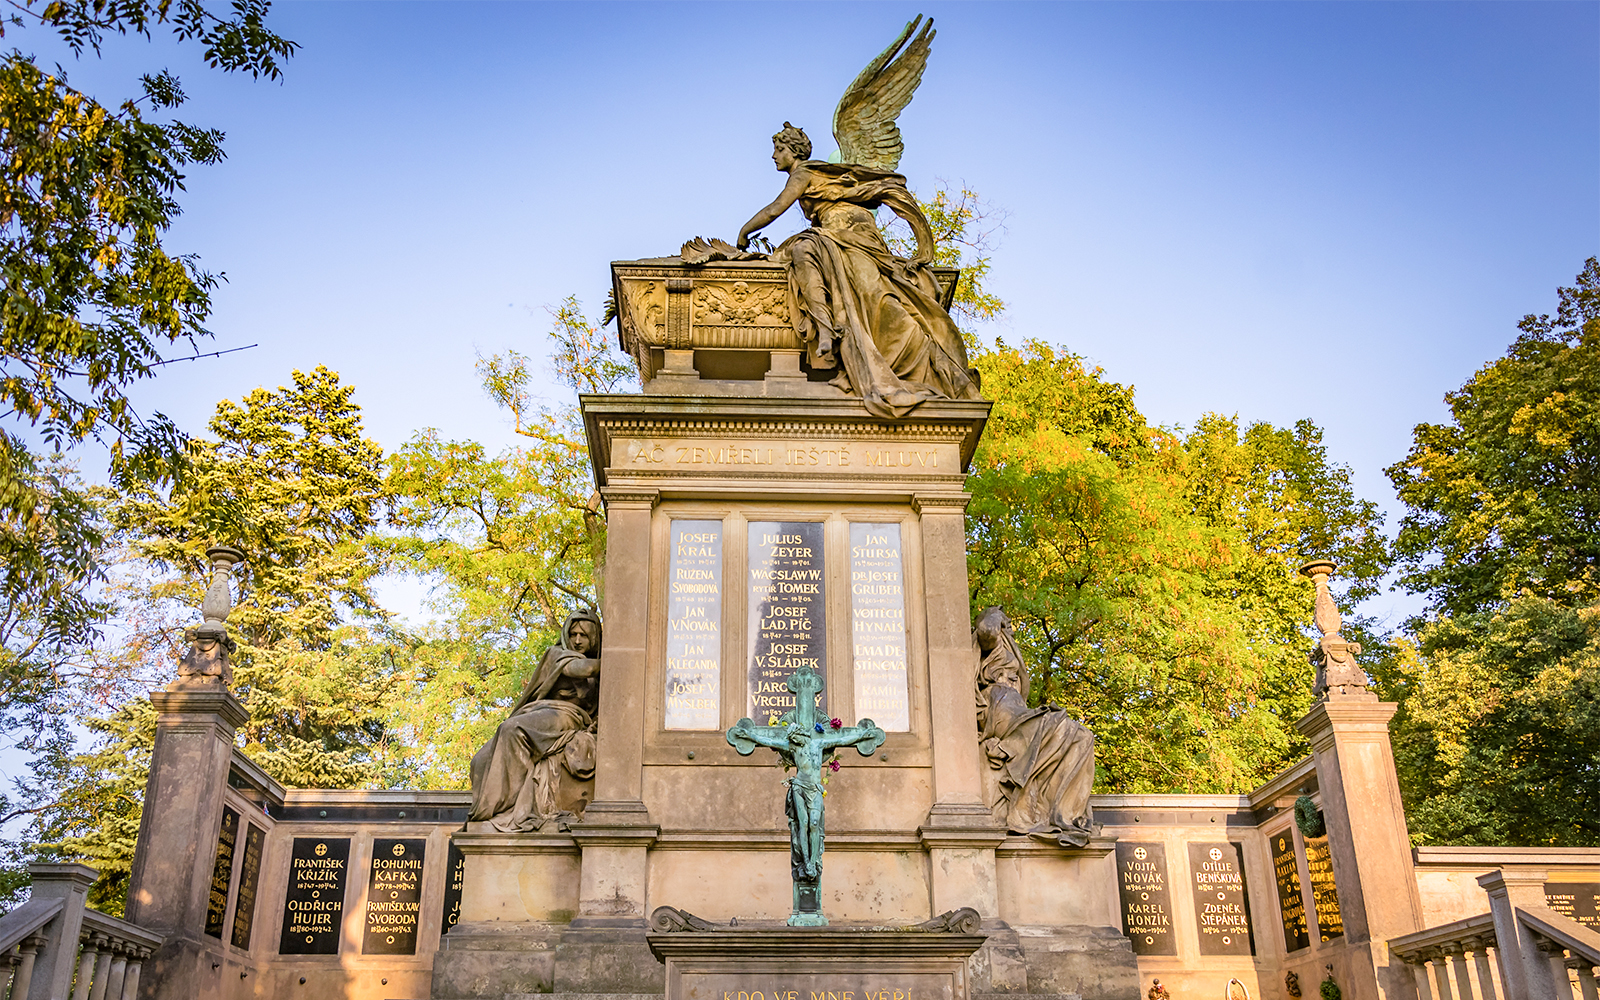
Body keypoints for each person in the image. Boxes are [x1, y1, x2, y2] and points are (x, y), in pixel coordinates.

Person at [736, 123, 981, 419]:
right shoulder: (823, 173)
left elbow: (776, 208)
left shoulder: (804, 173)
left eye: (779, 149)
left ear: (794, 151)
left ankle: (827, 330)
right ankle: (828, 330)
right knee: (831, 266)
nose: (774, 156)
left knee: (812, 254)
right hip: (850, 235)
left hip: (847, 234)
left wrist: (744, 231)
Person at [973, 606, 1096, 848]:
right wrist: (995, 614)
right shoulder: (995, 643)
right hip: (999, 702)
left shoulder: (1009, 646)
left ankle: (1064, 817)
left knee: (1083, 736)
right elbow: (986, 631)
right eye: (1007, 621)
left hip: (1015, 707)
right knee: (1063, 728)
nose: (1010, 626)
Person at [468, 612, 601, 833]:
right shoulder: (557, 654)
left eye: (584, 635)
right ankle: (496, 813)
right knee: (480, 761)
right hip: (543, 709)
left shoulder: (599, 672)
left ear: (594, 638)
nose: (577, 640)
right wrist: (618, 658)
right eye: (573, 634)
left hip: (569, 715)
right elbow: (581, 669)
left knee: (512, 729)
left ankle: (504, 807)